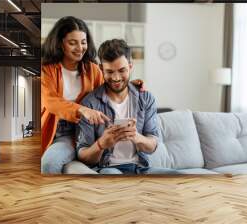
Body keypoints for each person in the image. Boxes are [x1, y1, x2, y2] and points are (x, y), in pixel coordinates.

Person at [41, 17, 143, 174]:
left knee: (49, 163)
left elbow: (108, 86)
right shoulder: (47, 69)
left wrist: (129, 84)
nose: (80, 47)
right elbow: (50, 101)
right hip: (52, 128)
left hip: (77, 132)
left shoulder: (93, 69)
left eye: (83, 41)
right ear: (60, 43)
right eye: (72, 42)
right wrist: (82, 109)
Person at [76, 39, 178, 174]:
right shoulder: (89, 104)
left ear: (130, 66)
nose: (116, 78)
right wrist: (101, 144)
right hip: (108, 169)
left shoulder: (146, 98)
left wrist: (137, 137)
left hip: (141, 168)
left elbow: (153, 145)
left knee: (177, 177)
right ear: (101, 69)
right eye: (110, 72)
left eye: (122, 70)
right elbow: (83, 155)